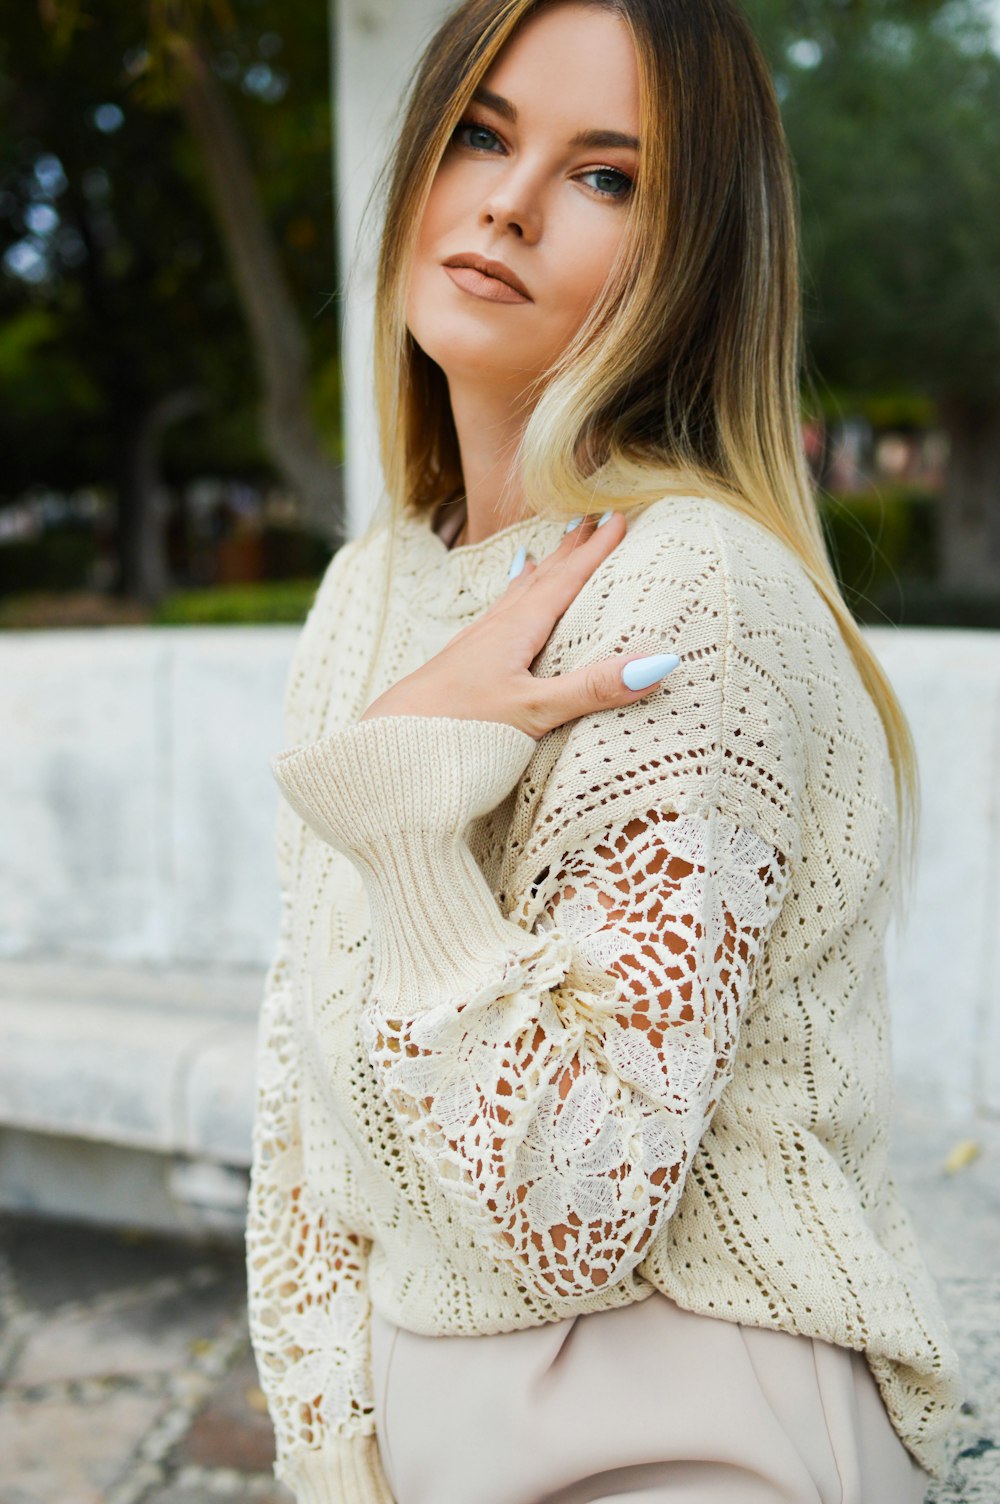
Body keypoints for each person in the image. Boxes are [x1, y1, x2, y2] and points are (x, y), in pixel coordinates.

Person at [245, 1, 963, 1501]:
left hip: (688, 1425)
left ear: (690, 259)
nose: (506, 199)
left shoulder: (686, 584)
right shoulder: (369, 587)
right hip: (434, 1436)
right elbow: (307, 1116)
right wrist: (334, 1451)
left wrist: (408, 825)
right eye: (485, 134)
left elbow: (575, 1207)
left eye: (607, 175)